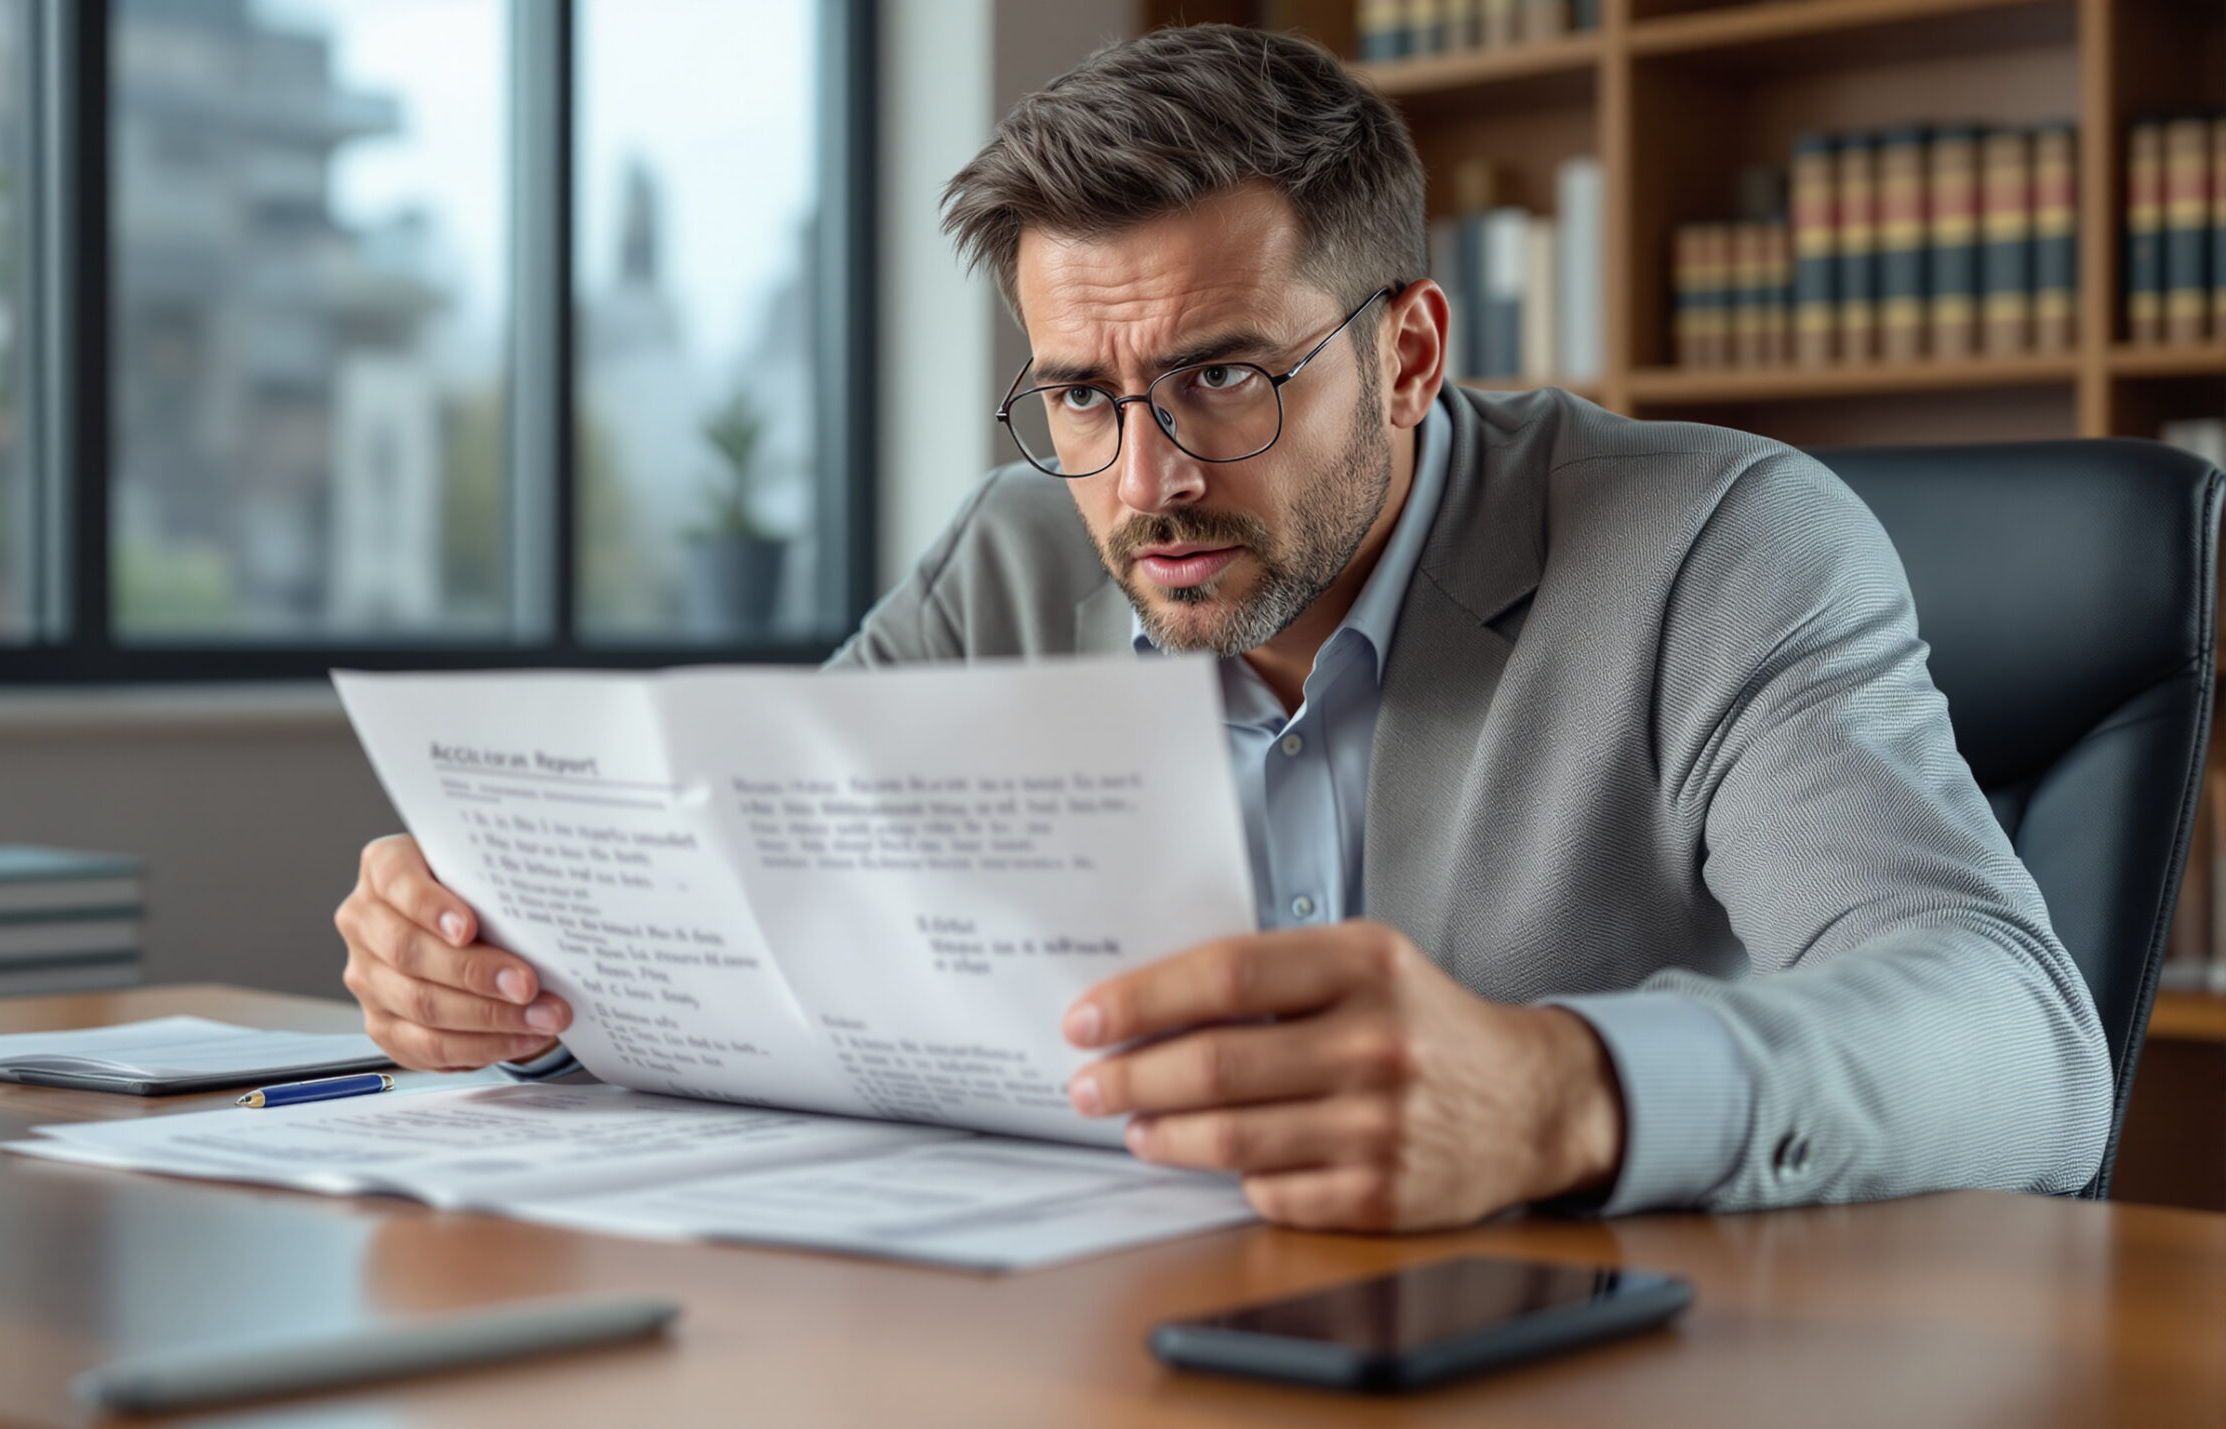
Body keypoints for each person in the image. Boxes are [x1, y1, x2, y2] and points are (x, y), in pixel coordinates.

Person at [333, 25, 2110, 1231]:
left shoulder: (1721, 545)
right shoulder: (1012, 566)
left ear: (1409, 353)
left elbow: (2024, 1041)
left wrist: (1571, 1093)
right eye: (1083, 398)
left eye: (1225, 378)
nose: (1146, 480)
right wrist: (515, 986)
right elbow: (750, 930)